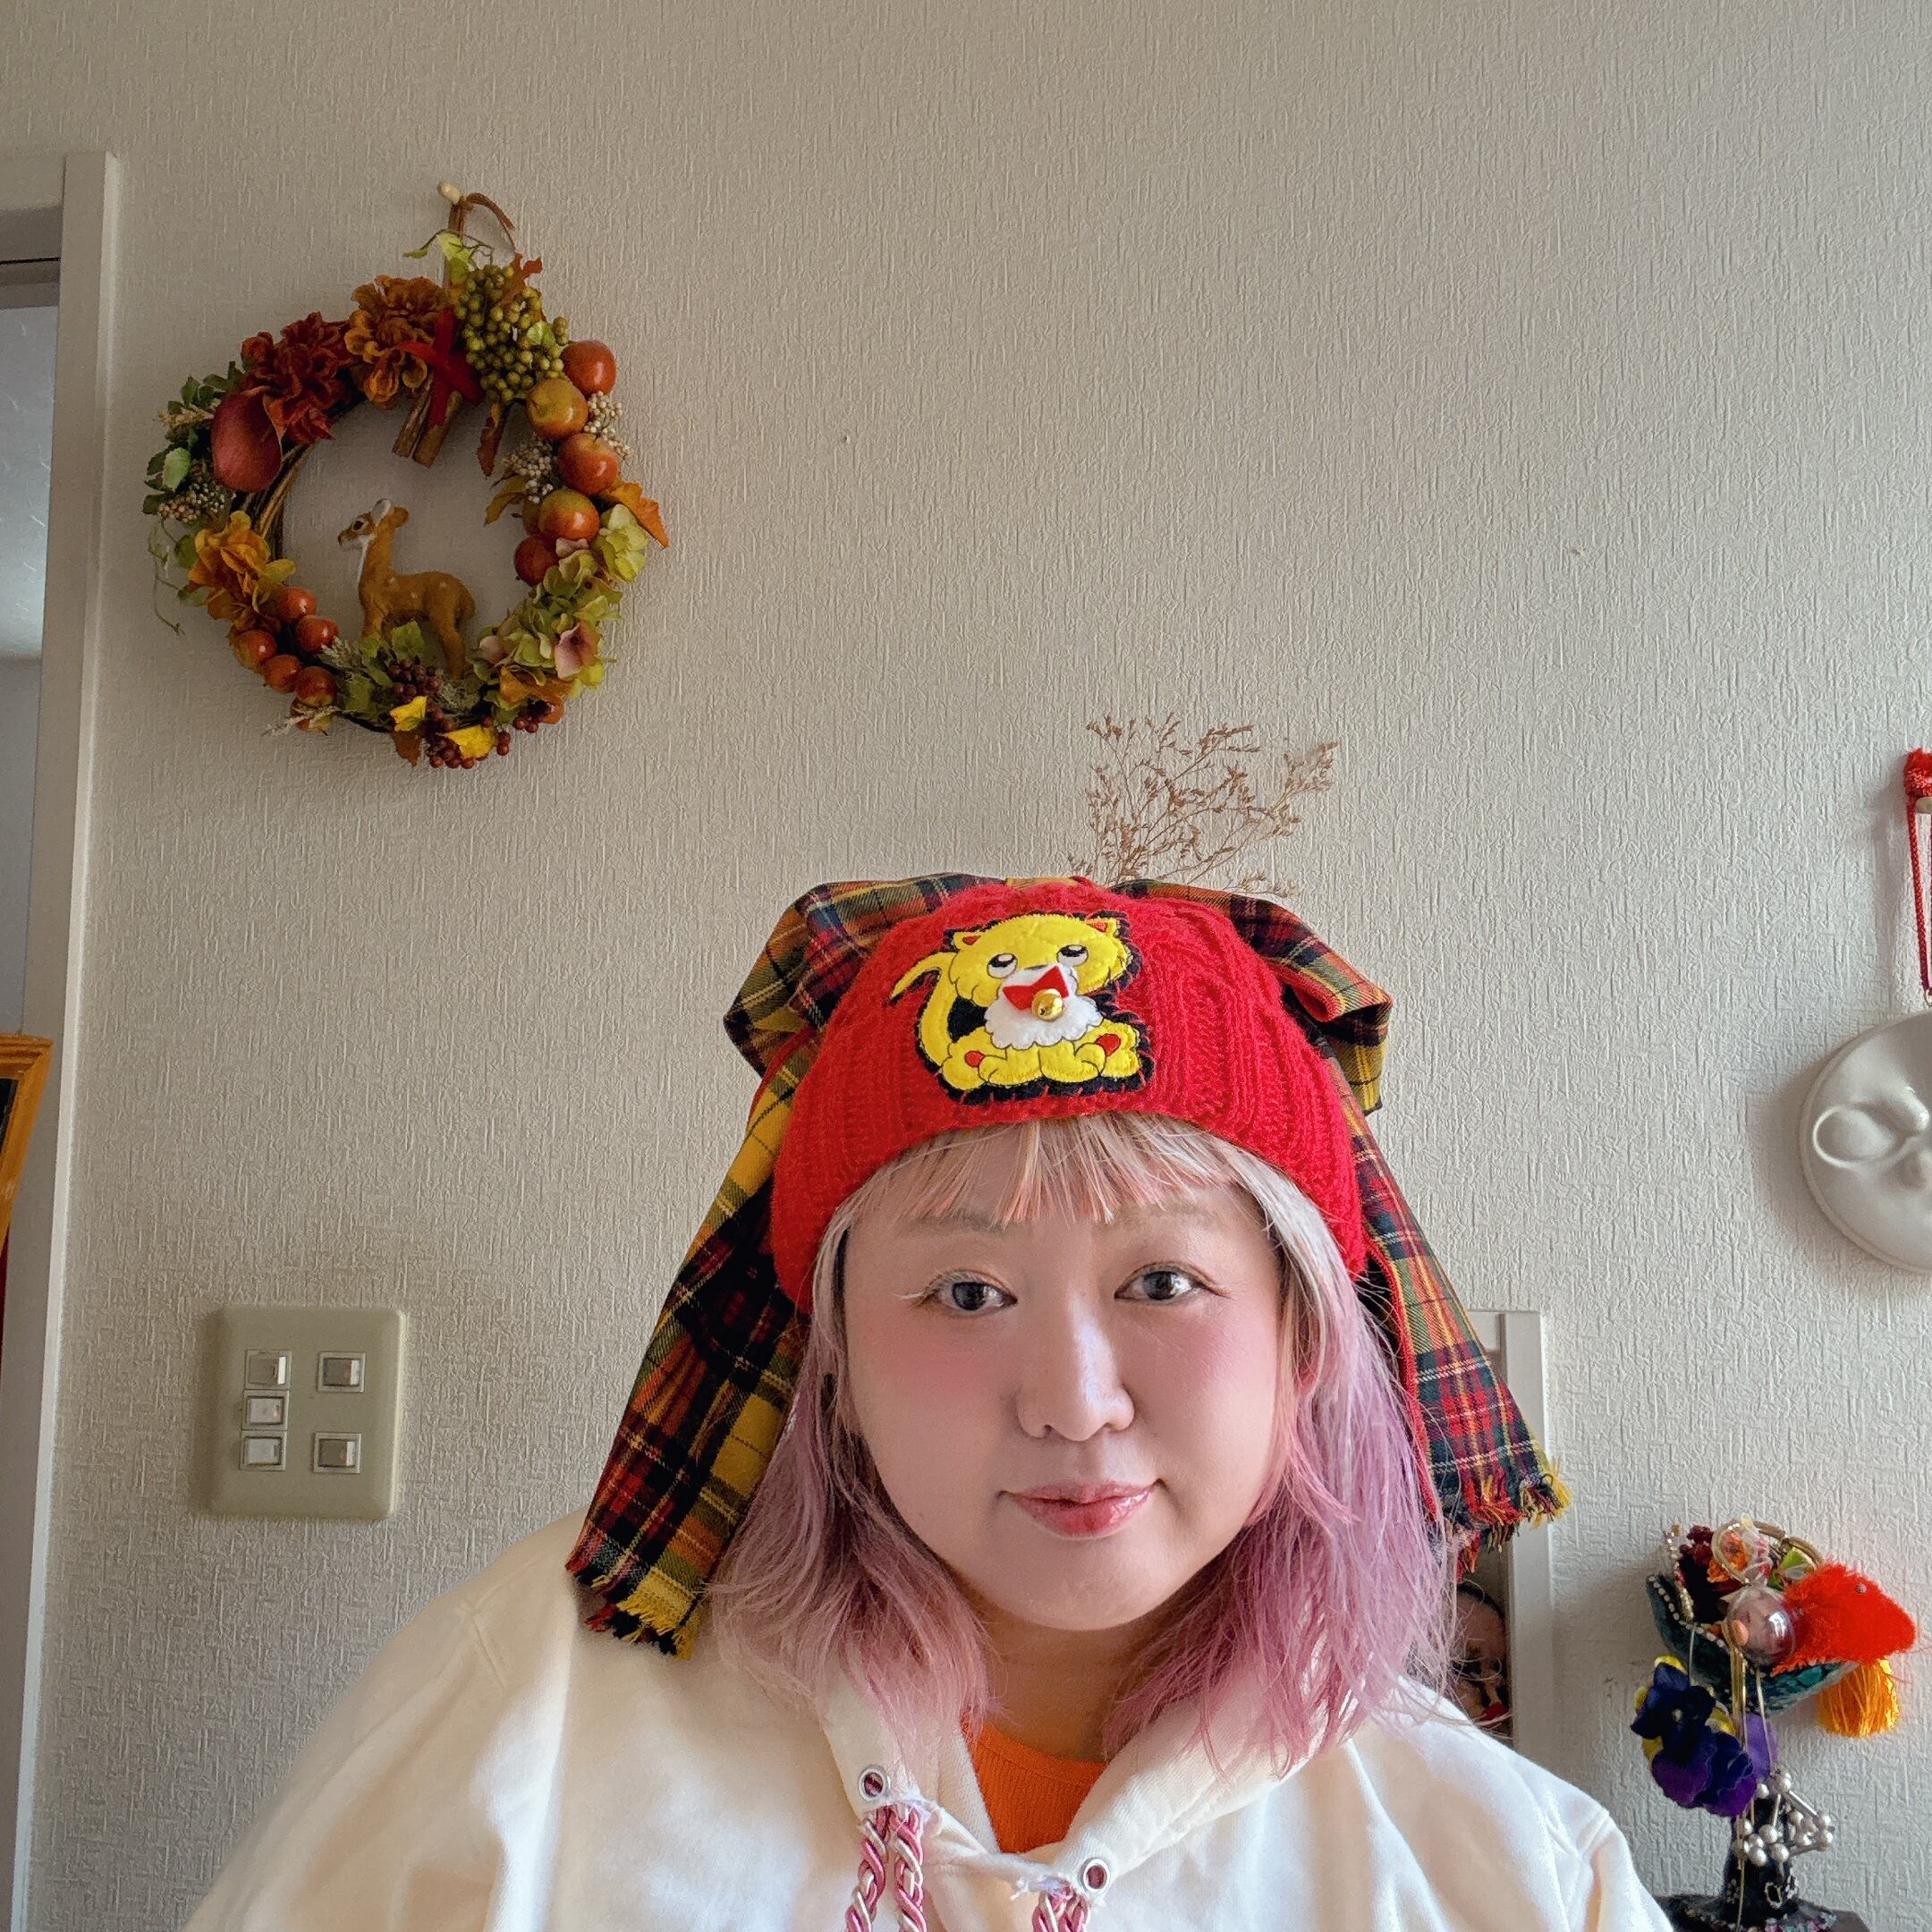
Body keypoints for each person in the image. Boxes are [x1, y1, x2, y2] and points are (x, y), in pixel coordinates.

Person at [182, 873, 1670, 1930]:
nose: (1074, 1406)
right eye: (966, 1293)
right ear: (830, 1356)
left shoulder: (1509, 1871)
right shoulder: (529, 1712)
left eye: (1163, 1282)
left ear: (1303, 1337)